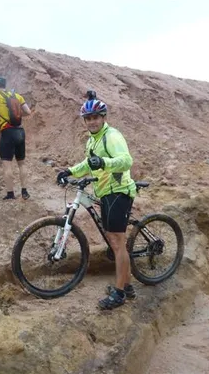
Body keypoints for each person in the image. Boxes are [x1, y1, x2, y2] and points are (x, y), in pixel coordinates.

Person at [57, 97, 137, 310]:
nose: (91, 122)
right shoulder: (93, 140)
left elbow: (126, 160)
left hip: (118, 191)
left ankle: (120, 293)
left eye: (95, 118)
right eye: (88, 118)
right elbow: (88, 163)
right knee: (114, 241)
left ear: (103, 118)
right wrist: (70, 171)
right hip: (105, 192)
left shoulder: (111, 136)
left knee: (117, 243)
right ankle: (127, 285)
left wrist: (104, 162)